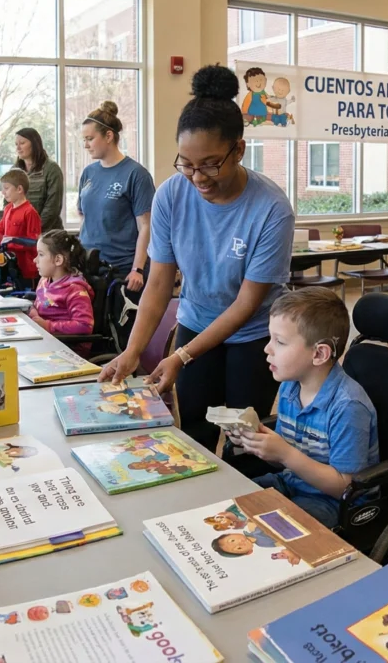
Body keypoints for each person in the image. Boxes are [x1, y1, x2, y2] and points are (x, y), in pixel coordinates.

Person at [100, 65, 295, 453]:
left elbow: (245, 304)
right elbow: (159, 282)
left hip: (252, 336)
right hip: (195, 321)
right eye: (186, 164)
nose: (198, 177)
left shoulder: (272, 210)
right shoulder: (172, 195)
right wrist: (132, 351)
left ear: (238, 150)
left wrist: (181, 355)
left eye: (210, 164)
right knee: (193, 439)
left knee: (245, 444)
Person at [223, 288, 378, 528]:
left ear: (319, 354)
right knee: (228, 500)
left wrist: (285, 453)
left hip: (334, 502)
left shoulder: (348, 406)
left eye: (280, 342)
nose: (267, 349)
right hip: (292, 482)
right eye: (270, 338)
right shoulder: (290, 387)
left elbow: (346, 487)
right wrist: (258, 443)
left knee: (266, 528)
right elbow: (284, 460)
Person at [77, 101, 156, 292]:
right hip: (88, 265)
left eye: (90, 138)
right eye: (84, 140)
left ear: (109, 136)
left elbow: (146, 226)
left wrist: (137, 269)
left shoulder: (136, 174)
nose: (86, 145)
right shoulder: (89, 173)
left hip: (121, 269)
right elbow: (84, 217)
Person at [28, 229, 96, 352]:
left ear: (58, 260)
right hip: (46, 340)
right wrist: (32, 311)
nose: (35, 260)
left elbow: (84, 325)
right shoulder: (44, 281)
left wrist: (47, 326)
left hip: (67, 348)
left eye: (41, 254)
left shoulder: (75, 289)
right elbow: (39, 305)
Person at [13, 127, 64, 232]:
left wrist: (34, 229)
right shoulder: (14, 170)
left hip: (47, 235)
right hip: (20, 233)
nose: (18, 148)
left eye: (22, 143)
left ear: (35, 144)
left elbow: (52, 207)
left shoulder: (51, 169)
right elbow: (7, 201)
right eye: (16, 144)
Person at [0, 168, 42, 283]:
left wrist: (11, 242)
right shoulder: (7, 209)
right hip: (8, 264)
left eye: (6, 188)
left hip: (26, 269)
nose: (3, 192)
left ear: (19, 189)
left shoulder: (30, 212)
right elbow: (0, 230)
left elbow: (34, 242)